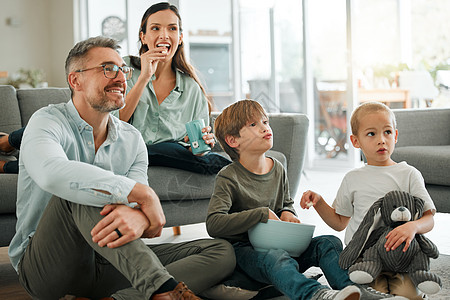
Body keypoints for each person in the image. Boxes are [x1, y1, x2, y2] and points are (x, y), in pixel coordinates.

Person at [8, 36, 235, 300]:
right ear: (75, 80)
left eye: (123, 69)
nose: (121, 78)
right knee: (82, 189)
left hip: (110, 258)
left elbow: (140, 215)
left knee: (221, 252)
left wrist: (140, 213)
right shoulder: (46, 121)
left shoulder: (132, 139)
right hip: (47, 267)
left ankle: (121, 298)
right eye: (108, 69)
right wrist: (144, 195)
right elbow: (51, 173)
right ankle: (163, 291)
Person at [206, 99, 366, 300]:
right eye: (254, 124)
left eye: (265, 122)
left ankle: (352, 290)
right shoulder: (228, 177)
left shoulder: (278, 168)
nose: (265, 128)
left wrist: (288, 213)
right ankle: (315, 295)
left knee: (329, 242)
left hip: (283, 245)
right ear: (233, 140)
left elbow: (285, 204)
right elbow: (213, 224)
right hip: (247, 252)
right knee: (277, 258)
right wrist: (261, 214)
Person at [301, 102, 436, 300]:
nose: (382, 140)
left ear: (395, 136)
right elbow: (339, 223)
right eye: (371, 134)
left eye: (387, 132)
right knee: (368, 293)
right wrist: (319, 202)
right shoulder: (352, 178)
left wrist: (413, 227)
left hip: (400, 257)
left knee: (410, 296)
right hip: (364, 262)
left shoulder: (409, 174)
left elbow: (429, 218)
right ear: (356, 141)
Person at [112, 2, 230, 175]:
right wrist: (144, 78)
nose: (164, 35)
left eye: (172, 29)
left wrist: (199, 145)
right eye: (155, 28)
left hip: (173, 156)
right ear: (143, 37)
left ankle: (233, 171)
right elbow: (113, 123)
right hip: (127, 150)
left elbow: (198, 150)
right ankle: (233, 171)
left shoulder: (191, 89)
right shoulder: (125, 68)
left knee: (188, 154)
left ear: (180, 38)